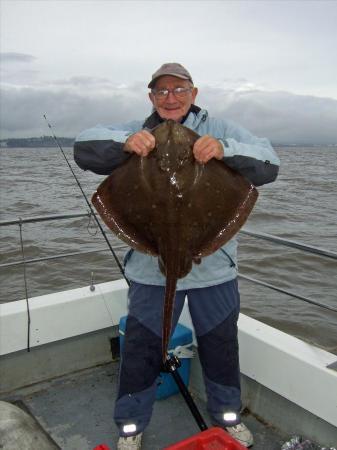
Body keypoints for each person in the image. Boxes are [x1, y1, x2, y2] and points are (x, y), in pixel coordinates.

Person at [74, 62, 280, 449]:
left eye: (179, 90)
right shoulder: (137, 129)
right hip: (152, 268)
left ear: (194, 93)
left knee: (220, 343)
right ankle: (131, 426)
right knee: (142, 345)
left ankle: (227, 416)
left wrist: (225, 150)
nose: (171, 98)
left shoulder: (221, 130)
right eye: (161, 91)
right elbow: (84, 146)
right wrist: (125, 144)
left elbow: (270, 163)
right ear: (151, 97)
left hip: (214, 268)